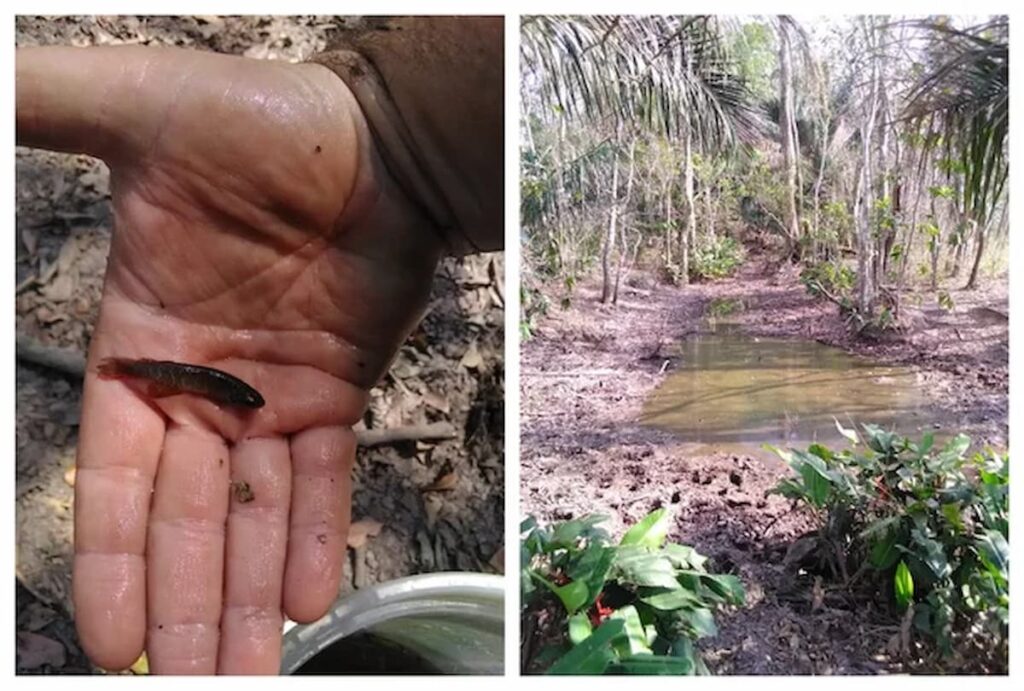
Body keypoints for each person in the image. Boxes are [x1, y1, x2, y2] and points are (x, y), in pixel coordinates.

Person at [15, 16, 503, 675]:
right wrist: (391, 123)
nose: (243, 401)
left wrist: (393, 126)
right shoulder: (218, 383)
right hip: (171, 365)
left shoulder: (236, 389)